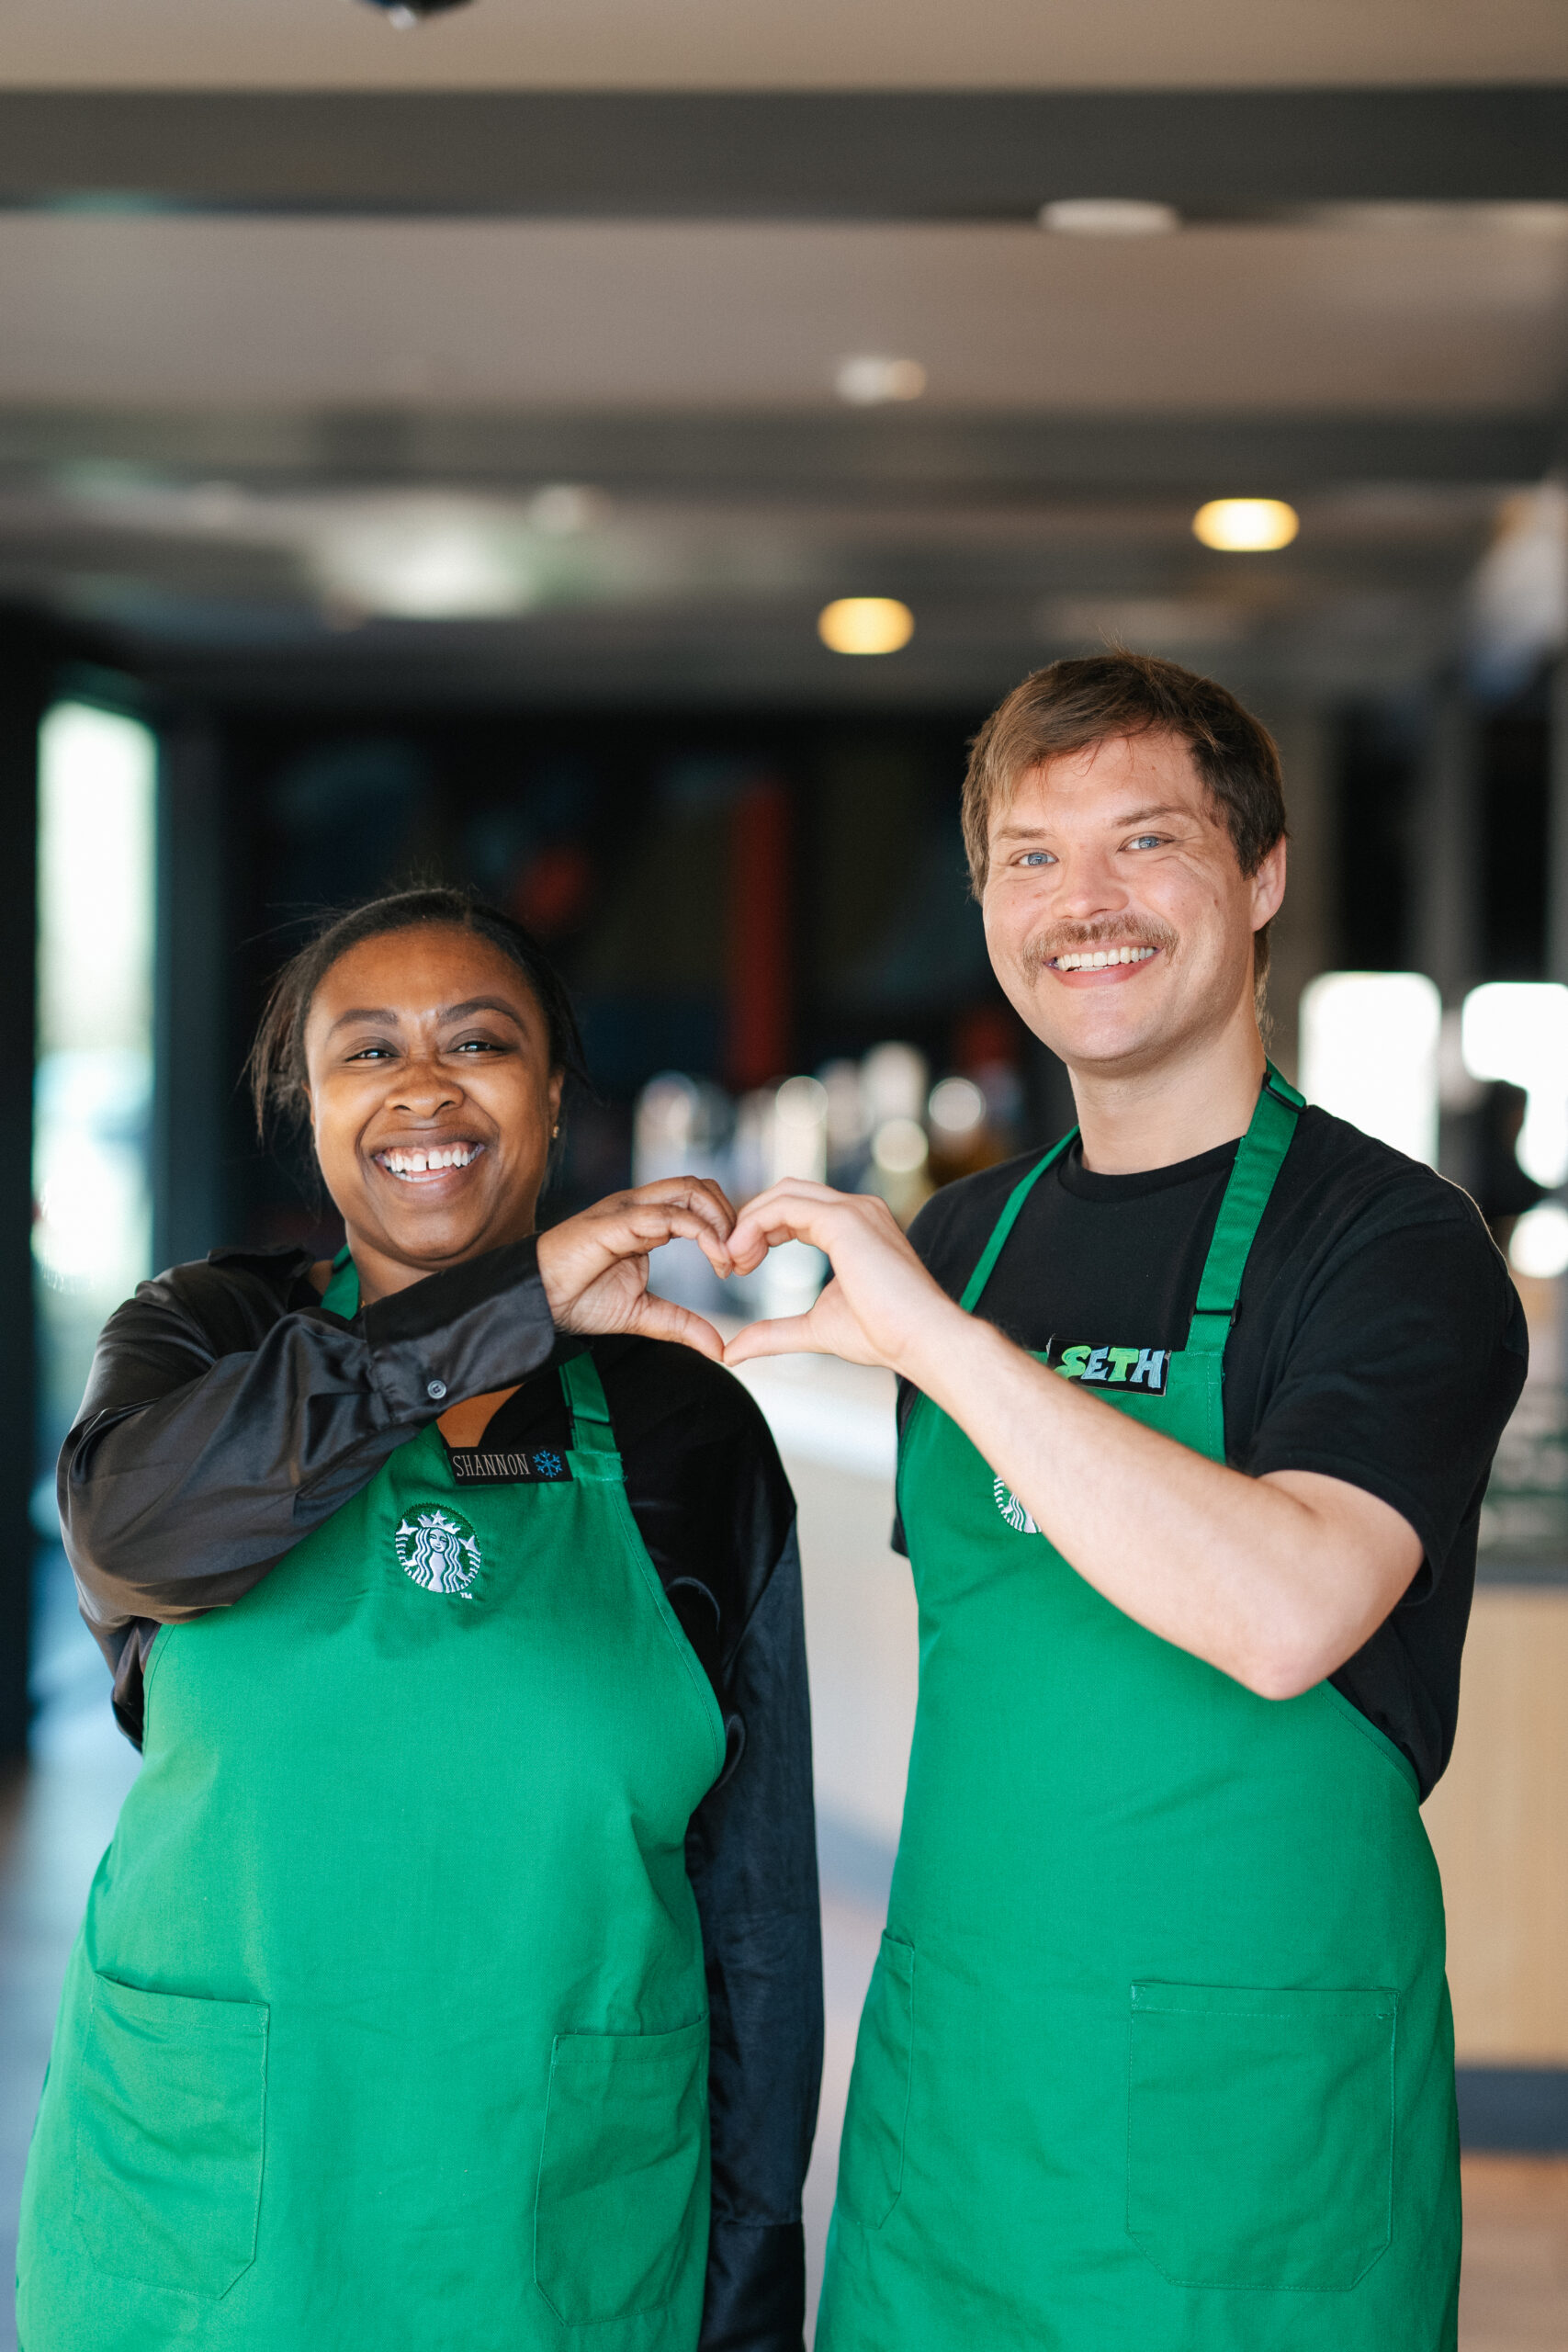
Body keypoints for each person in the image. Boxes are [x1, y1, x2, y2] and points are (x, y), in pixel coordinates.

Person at [723, 655, 1526, 2351]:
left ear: (1262, 875)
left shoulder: (1391, 1247)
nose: (1080, 904)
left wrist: (947, 1352)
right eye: (1029, 857)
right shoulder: (967, 1240)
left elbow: (1288, 1610)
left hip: (1256, 2149)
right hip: (963, 2122)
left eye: (1144, 842)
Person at [18, 887, 821, 2352]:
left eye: (480, 1041)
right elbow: (135, 1532)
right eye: (368, 1052)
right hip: (210, 2230)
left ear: (554, 1094)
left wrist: (755, 2297)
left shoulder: (684, 1431)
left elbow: (755, 1922)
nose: (424, 1088)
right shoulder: (203, 1340)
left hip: (556, 2223)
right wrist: (503, 1309)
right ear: (308, 1105)